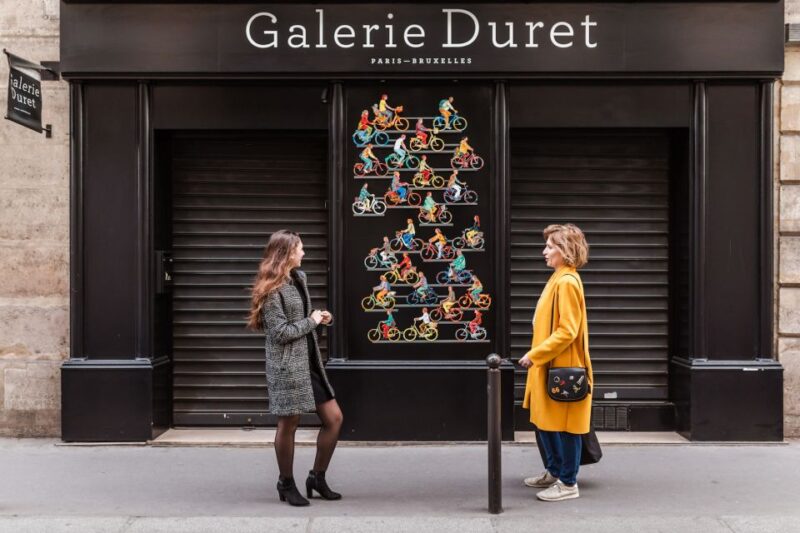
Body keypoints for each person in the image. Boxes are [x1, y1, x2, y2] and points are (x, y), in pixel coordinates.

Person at [247, 230, 342, 507]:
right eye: (300, 248)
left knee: (334, 418)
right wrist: (311, 321)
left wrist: (320, 319)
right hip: (287, 365)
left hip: (308, 362)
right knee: (289, 423)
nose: (304, 253)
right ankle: (286, 483)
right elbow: (279, 333)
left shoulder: (299, 278)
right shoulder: (271, 289)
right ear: (287, 252)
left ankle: (317, 477)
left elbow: (301, 320)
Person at [518, 223, 592, 502]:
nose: (544, 251)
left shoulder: (567, 282)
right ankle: (554, 471)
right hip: (549, 366)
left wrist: (535, 355)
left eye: (550, 247)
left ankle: (568, 482)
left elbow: (567, 329)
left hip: (561, 367)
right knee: (544, 420)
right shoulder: (558, 277)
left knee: (566, 426)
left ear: (565, 250)